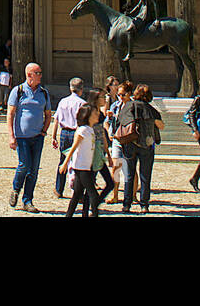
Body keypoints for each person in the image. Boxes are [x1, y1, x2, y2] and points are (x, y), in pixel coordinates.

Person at [6, 63, 52, 213]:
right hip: (22, 137)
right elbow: (10, 114)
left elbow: (48, 114)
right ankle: (15, 189)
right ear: (29, 75)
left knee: (33, 170)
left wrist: (44, 131)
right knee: (24, 165)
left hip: (38, 137)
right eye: (38, 72)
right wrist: (11, 136)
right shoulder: (17, 91)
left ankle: (27, 200)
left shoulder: (43, 93)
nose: (40, 75)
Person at [116, 83, 164, 213]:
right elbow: (161, 126)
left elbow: (119, 121)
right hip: (146, 145)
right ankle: (144, 205)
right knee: (145, 176)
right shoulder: (151, 109)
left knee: (129, 175)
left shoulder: (128, 106)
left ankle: (126, 204)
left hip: (130, 143)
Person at [59, 104, 112, 217]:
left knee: (77, 195)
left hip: (86, 166)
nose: (97, 115)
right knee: (93, 194)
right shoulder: (82, 130)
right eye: (94, 114)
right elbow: (74, 147)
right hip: (81, 167)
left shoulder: (90, 130)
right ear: (88, 116)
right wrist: (65, 163)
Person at [50, 77, 86, 198]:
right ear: (81, 89)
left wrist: (54, 136)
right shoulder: (82, 103)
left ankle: (59, 189)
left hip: (64, 133)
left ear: (70, 88)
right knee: (78, 162)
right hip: (77, 133)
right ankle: (77, 190)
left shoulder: (63, 102)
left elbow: (56, 120)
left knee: (63, 160)